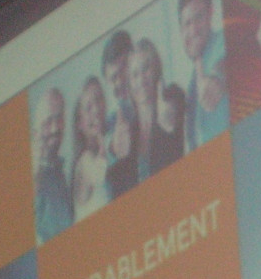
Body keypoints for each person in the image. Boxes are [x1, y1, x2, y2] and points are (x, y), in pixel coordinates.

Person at [107, 37, 183, 197]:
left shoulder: (172, 96)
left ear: (156, 69)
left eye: (146, 68)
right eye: (134, 75)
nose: (141, 79)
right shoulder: (128, 132)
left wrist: (172, 117)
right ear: (129, 83)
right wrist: (115, 152)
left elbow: (179, 101)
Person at [177, 0, 229, 150]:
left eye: (198, 17)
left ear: (210, 13)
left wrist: (217, 79)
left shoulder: (224, 41)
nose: (193, 30)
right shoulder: (191, 81)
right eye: (186, 23)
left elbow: (229, 61)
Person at [32, 87, 73, 243]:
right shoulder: (31, 178)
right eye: (48, 122)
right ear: (35, 132)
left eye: (59, 118)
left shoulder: (62, 171)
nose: (56, 128)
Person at [101, 29, 138, 199]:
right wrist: (113, 148)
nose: (120, 81)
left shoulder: (161, 97)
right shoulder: (108, 125)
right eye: (113, 78)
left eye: (123, 68)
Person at [71, 76, 110, 221]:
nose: (96, 109)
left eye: (99, 99)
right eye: (88, 107)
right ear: (79, 123)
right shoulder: (85, 160)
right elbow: (100, 175)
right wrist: (104, 142)